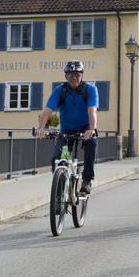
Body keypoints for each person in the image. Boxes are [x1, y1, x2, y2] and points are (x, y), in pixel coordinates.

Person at [36, 60, 98, 195]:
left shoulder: (90, 89)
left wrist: (92, 129)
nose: (74, 78)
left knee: (91, 143)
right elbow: (48, 109)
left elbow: (92, 110)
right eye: (70, 75)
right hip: (67, 129)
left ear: (82, 75)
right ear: (65, 76)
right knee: (56, 159)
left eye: (77, 74)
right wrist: (41, 128)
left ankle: (87, 180)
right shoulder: (60, 90)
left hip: (85, 127)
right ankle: (58, 193)